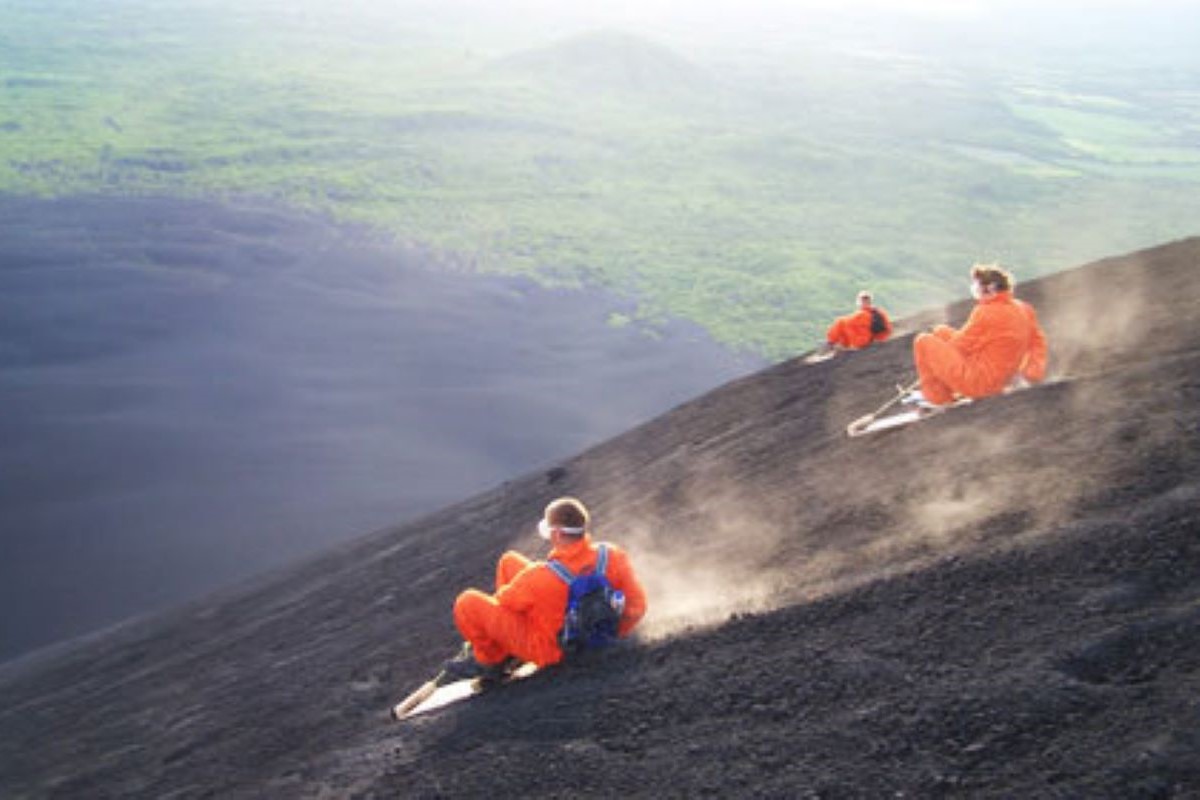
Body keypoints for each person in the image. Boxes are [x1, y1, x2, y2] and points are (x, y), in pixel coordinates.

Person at [444, 496, 647, 680]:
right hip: (605, 633)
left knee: (467, 602)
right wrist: (615, 630)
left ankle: (491, 661)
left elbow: (504, 602)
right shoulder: (612, 554)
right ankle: (506, 653)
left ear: (557, 534)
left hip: (553, 651)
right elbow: (638, 604)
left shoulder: (538, 577)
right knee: (509, 561)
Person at [912, 264, 1048, 407]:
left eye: (977, 287)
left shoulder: (985, 312)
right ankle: (944, 392)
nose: (975, 291)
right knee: (941, 332)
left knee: (923, 341)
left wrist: (933, 357)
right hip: (1002, 382)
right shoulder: (1024, 308)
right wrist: (1032, 374)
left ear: (989, 289)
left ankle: (938, 399)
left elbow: (960, 346)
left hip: (979, 383)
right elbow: (1038, 343)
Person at [824, 290, 893, 351]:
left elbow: (844, 324)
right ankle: (836, 343)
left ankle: (832, 344)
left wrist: (831, 341)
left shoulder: (860, 315)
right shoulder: (880, 312)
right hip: (879, 338)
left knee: (841, 322)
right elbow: (888, 328)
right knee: (843, 323)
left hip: (863, 342)